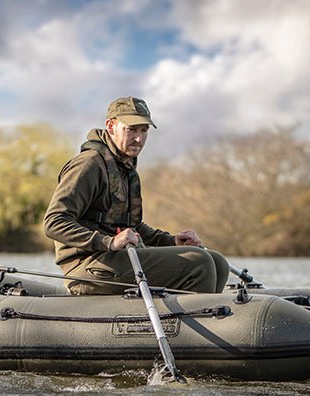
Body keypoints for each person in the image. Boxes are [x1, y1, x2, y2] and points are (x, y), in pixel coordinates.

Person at [44, 96, 228, 295]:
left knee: (216, 261)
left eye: (144, 131)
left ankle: (188, 313)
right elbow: (54, 222)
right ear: (111, 126)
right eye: (131, 130)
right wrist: (108, 242)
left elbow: (133, 227)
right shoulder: (88, 165)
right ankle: (198, 318)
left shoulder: (126, 169)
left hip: (115, 259)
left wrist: (172, 241)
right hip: (87, 266)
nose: (139, 139)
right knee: (198, 262)